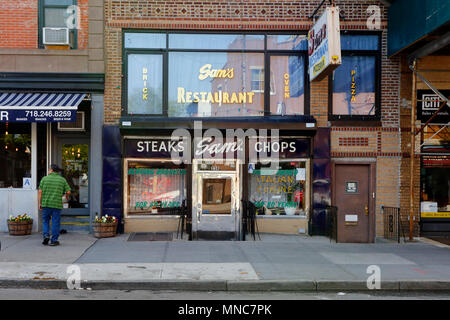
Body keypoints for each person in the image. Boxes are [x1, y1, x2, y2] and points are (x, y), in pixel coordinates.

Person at [38, 164, 71, 246]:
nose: (48, 171)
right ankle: (53, 240)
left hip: (46, 204)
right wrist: (66, 197)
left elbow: (40, 192)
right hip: (56, 204)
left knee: (45, 221)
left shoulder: (44, 179)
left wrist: (40, 203)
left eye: (49, 169)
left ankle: (46, 235)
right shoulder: (62, 180)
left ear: (51, 170)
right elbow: (68, 191)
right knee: (55, 222)